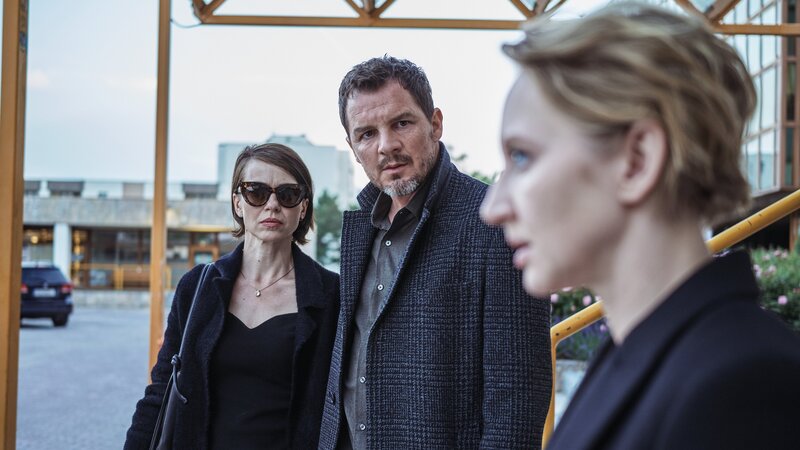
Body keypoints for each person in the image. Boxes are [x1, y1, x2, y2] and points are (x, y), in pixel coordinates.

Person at [481, 3, 800, 449]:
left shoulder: (744, 386)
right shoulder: (646, 352)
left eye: (522, 157)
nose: (492, 208)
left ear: (637, 160)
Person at [318, 55, 552, 449]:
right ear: (353, 148)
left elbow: (516, 398)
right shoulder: (360, 229)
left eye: (402, 123)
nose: (387, 146)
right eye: (367, 134)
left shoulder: (495, 223)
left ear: (436, 124)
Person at [124, 143, 340, 449]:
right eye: (256, 192)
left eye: (288, 194)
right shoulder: (197, 287)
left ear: (303, 207)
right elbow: (161, 388)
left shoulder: (332, 296)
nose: (272, 205)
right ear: (237, 203)